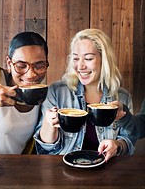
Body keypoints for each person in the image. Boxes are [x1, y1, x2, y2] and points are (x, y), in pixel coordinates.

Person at [34, 28, 136, 162]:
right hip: (63, 170)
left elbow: (129, 140)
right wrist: (49, 123)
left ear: (104, 60)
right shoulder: (56, 92)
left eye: (88, 58)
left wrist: (116, 145)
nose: (80, 66)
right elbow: (45, 149)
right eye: (76, 58)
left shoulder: (122, 97)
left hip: (106, 169)